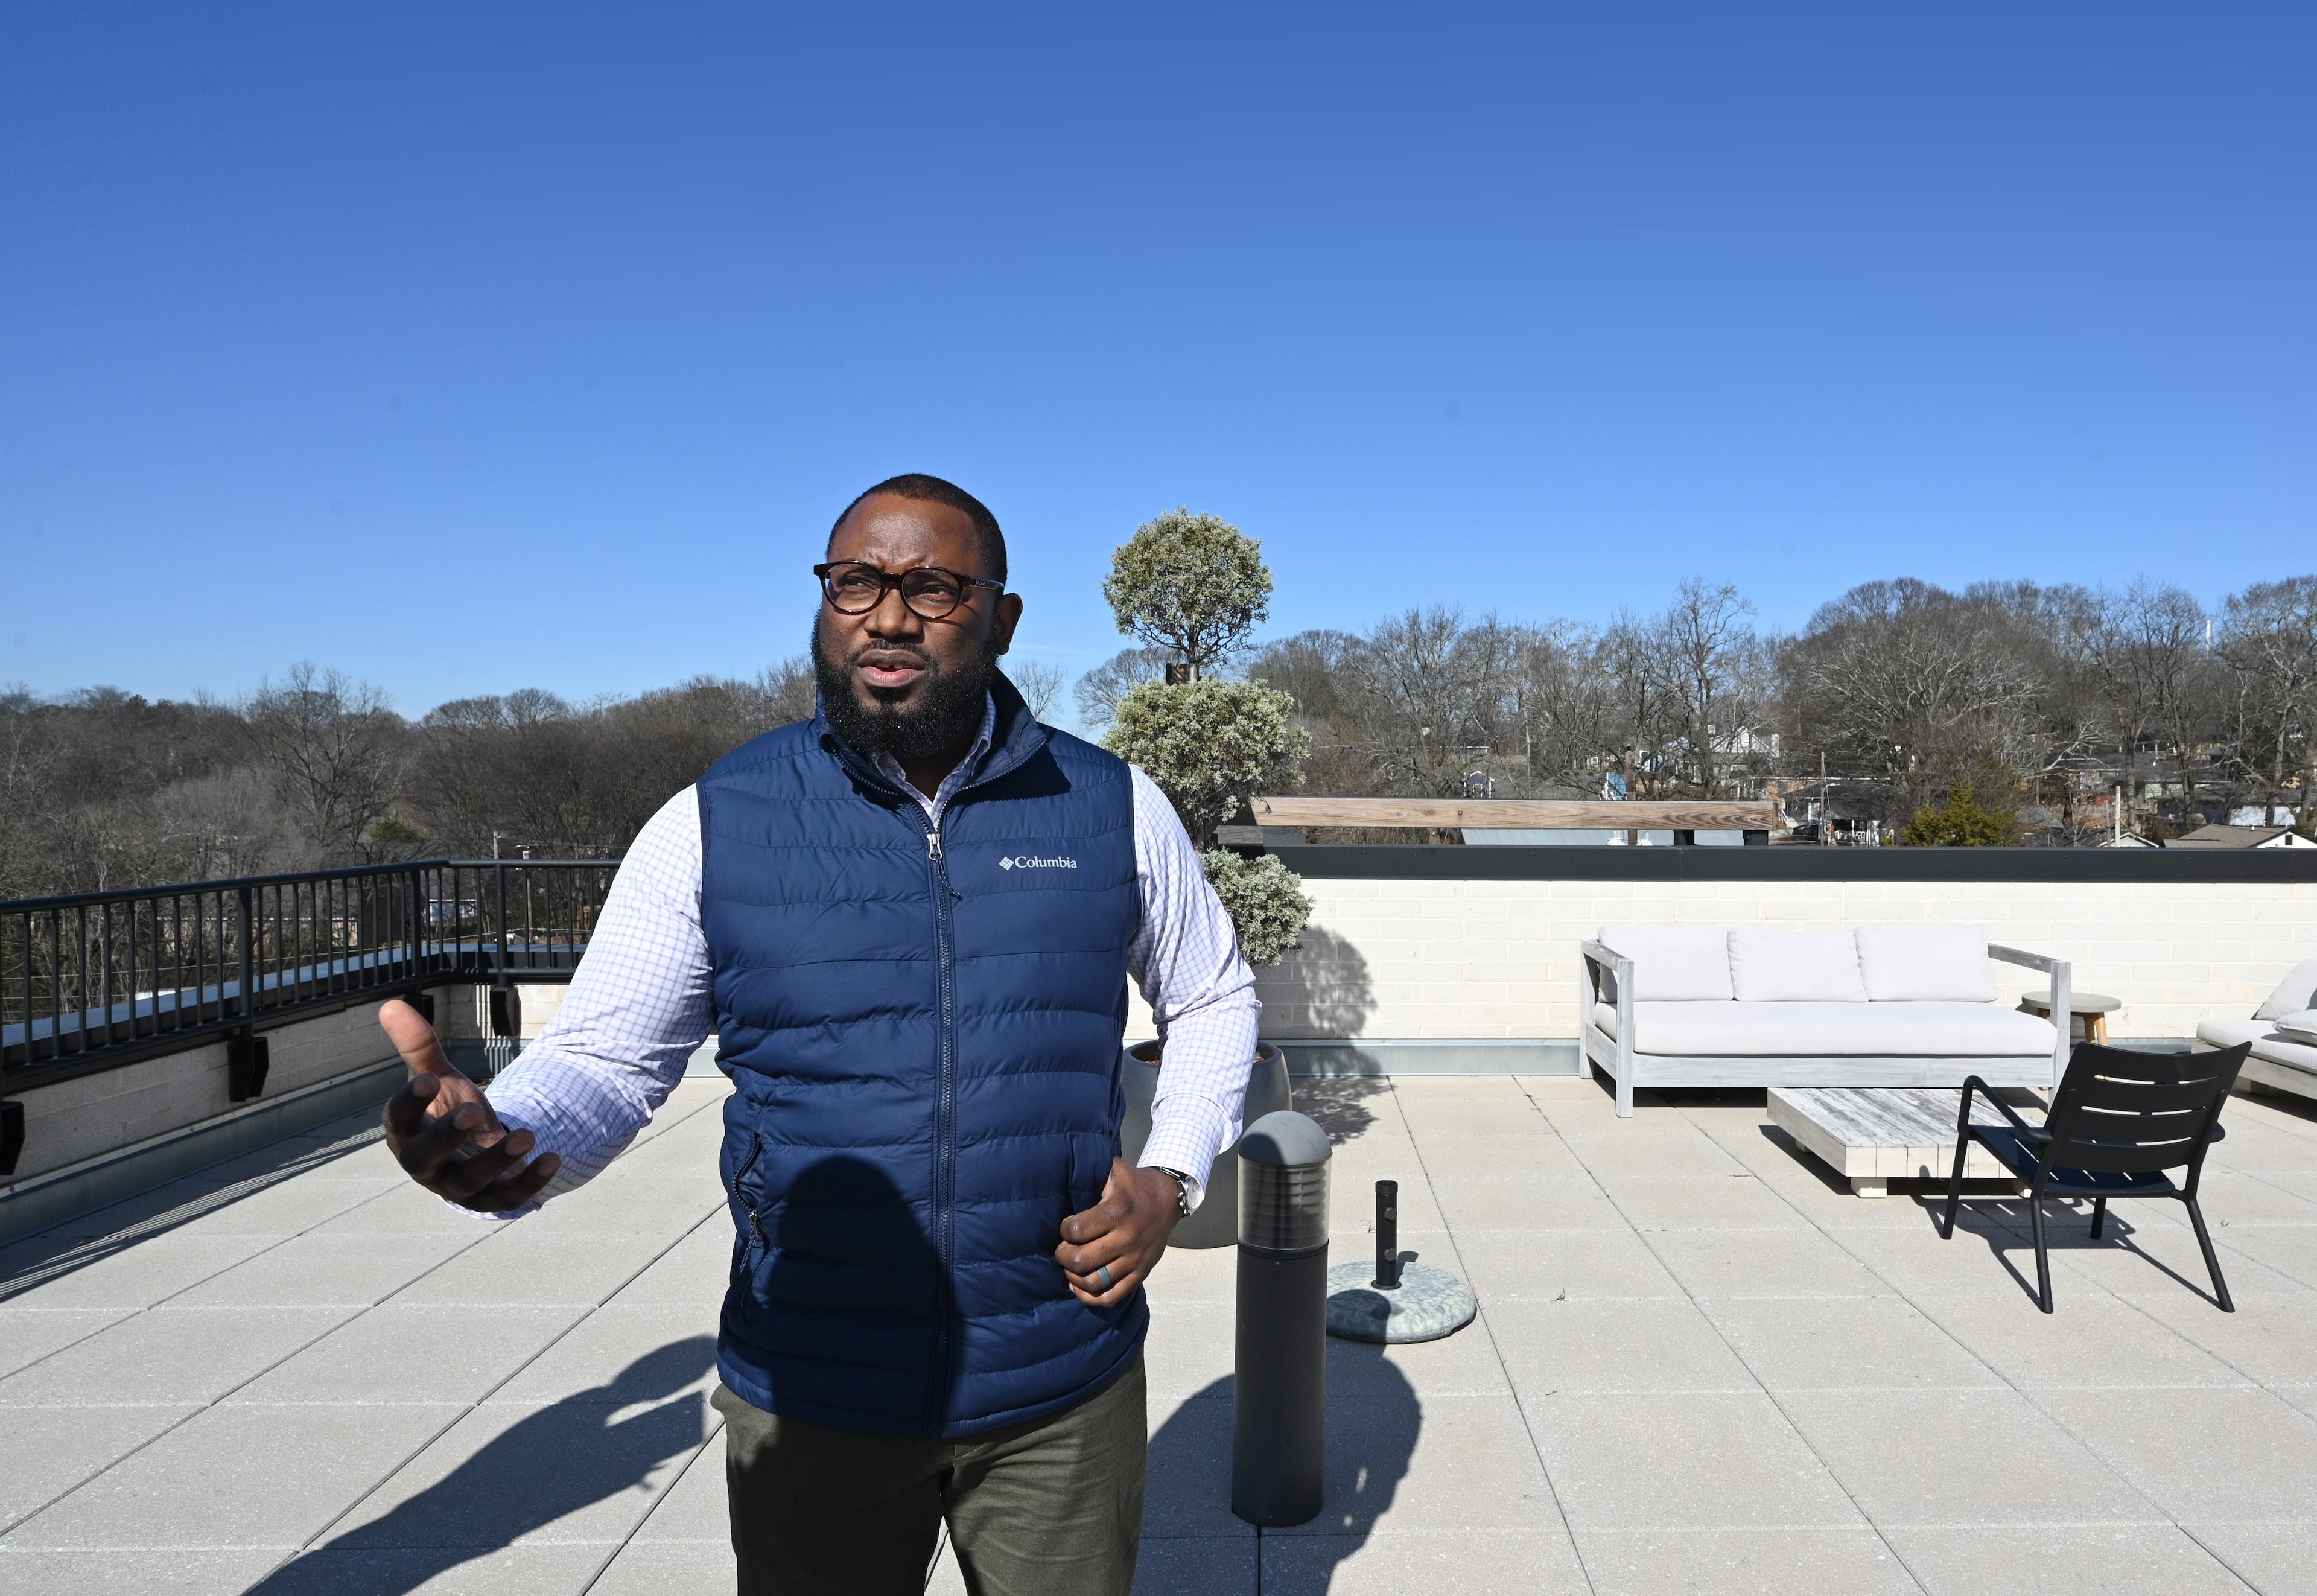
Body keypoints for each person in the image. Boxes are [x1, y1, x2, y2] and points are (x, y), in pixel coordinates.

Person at [374, 473, 1259, 1596]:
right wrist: (513, 1137)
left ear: (1002, 615)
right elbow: (607, 1058)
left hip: (1058, 1388)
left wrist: (1172, 1176)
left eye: (933, 586)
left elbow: (1216, 996)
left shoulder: (1109, 804)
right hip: (813, 1392)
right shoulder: (717, 818)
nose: (888, 616)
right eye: (856, 582)